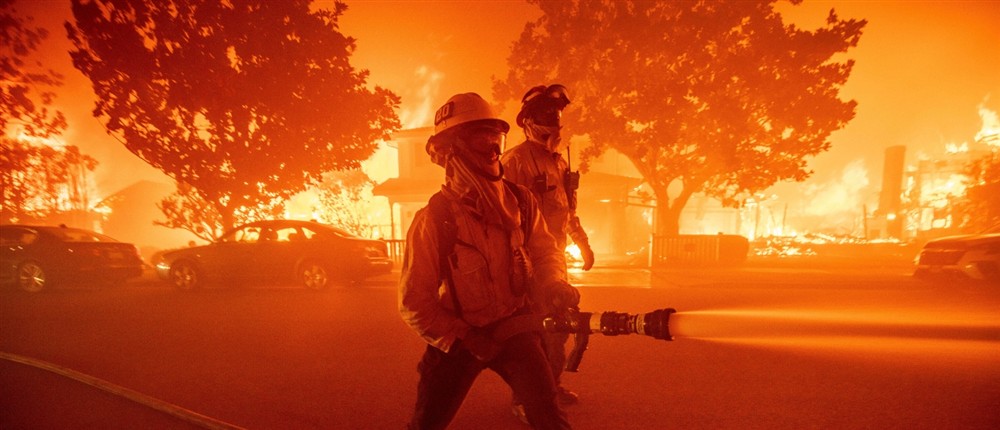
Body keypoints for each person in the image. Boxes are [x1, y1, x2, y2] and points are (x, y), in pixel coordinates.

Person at [399, 92, 579, 430]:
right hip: (458, 340)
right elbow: (414, 302)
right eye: (480, 136)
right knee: (426, 425)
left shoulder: (521, 202)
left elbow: (545, 252)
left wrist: (554, 283)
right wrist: (464, 337)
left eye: (495, 137)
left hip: (515, 329)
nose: (493, 147)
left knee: (550, 420)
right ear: (451, 149)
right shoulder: (435, 219)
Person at [500, 84, 593, 415]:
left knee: (559, 329)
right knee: (533, 336)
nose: (553, 120)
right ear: (528, 121)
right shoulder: (513, 163)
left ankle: (549, 388)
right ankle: (525, 399)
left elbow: (567, 209)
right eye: (545, 115)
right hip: (527, 265)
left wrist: (582, 243)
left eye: (556, 115)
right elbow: (502, 220)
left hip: (556, 262)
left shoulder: (559, 163)